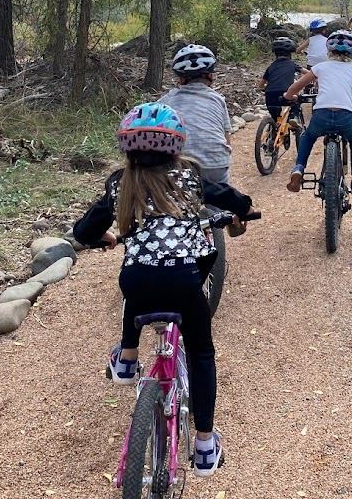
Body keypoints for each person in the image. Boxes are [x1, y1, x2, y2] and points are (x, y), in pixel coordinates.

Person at [73, 103, 255, 479]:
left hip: (137, 281)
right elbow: (231, 197)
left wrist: (104, 236)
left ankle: (126, 360)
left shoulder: (118, 183)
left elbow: (85, 231)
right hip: (186, 281)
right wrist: (245, 208)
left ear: (127, 147)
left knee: (135, 280)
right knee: (202, 352)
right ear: (177, 146)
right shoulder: (190, 176)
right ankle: (204, 446)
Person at [282, 30, 352, 195]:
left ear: (329, 51)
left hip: (321, 116)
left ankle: (299, 168)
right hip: (344, 117)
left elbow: (296, 86)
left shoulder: (320, 67)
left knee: (308, 137)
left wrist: (289, 96)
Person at [159, 44, 232, 184]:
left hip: (181, 164)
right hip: (216, 163)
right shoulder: (217, 99)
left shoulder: (168, 100)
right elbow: (227, 139)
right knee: (222, 198)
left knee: (177, 199)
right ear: (211, 76)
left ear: (180, 79)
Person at [260, 37, 301, 125]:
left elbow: (261, 85)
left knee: (276, 119)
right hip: (286, 94)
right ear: (290, 54)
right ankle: (294, 117)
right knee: (297, 100)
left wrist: (263, 89)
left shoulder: (271, 67)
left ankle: (274, 134)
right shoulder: (292, 64)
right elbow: (308, 73)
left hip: (270, 96)